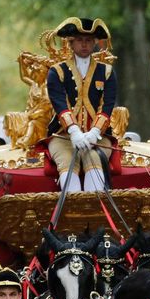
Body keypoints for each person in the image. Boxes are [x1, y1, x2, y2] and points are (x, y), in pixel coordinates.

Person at [45, 17, 118, 193]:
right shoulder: (56, 71)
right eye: (79, 40)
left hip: (99, 138)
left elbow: (107, 106)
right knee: (67, 160)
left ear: (94, 43)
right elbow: (59, 104)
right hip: (63, 137)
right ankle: (72, 208)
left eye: (88, 40)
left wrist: (94, 133)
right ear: (70, 42)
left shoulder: (107, 71)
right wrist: (74, 131)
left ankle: (95, 207)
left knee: (93, 158)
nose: (84, 44)